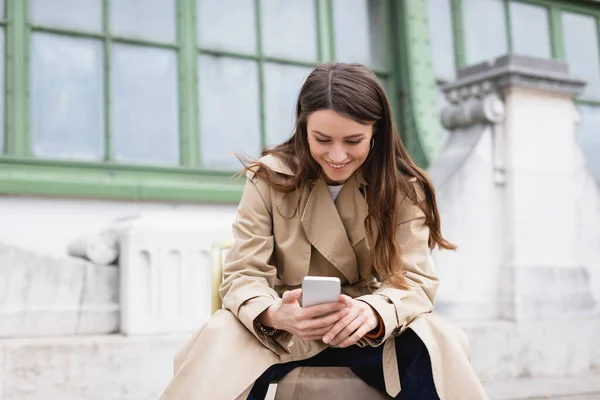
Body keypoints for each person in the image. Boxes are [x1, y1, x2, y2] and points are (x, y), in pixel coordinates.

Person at [160, 63, 488, 400]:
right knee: (220, 333)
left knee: (435, 339)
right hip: (284, 329)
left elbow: (414, 279)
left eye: (353, 140)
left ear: (377, 130)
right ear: (303, 127)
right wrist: (274, 313)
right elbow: (243, 273)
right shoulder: (269, 179)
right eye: (322, 139)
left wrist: (375, 311)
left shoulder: (402, 189)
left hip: (365, 328)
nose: (337, 155)